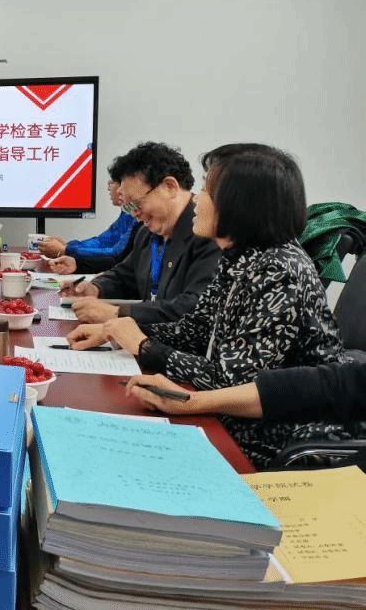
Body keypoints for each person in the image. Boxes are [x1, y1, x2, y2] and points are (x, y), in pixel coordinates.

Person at [71, 144, 360, 468]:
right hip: (236, 420)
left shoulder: (279, 270)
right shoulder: (239, 257)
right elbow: (195, 329)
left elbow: (231, 381)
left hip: (279, 436)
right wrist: (118, 331)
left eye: (207, 190)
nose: (197, 199)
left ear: (240, 205)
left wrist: (144, 346)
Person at [61, 141, 220, 324]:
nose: (134, 214)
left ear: (169, 186)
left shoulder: (208, 234)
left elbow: (193, 306)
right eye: (128, 207)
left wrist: (119, 313)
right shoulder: (147, 233)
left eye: (136, 203)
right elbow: (125, 275)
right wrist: (94, 289)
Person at [125, 363, 366, 424]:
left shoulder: (280, 272)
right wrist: (193, 401)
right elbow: (334, 384)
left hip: (270, 433)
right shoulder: (232, 266)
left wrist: (146, 345)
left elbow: (235, 374)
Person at [43, 156, 138, 274]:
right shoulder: (127, 212)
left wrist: (66, 250)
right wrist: (68, 247)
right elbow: (103, 241)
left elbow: (116, 254)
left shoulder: (138, 218)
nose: (112, 188)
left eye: (113, 182)